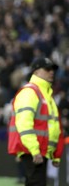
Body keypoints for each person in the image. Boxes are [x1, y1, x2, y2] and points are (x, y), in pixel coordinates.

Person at [8, 57, 64, 186]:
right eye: (47, 69)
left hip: (40, 150)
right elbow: (24, 124)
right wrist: (34, 150)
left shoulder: (46, 94)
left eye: (53, 69)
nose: (52, 72)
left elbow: (55, 127)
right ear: (36, 72)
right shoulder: (30, 92)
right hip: (33, 151)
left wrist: (55, 154)